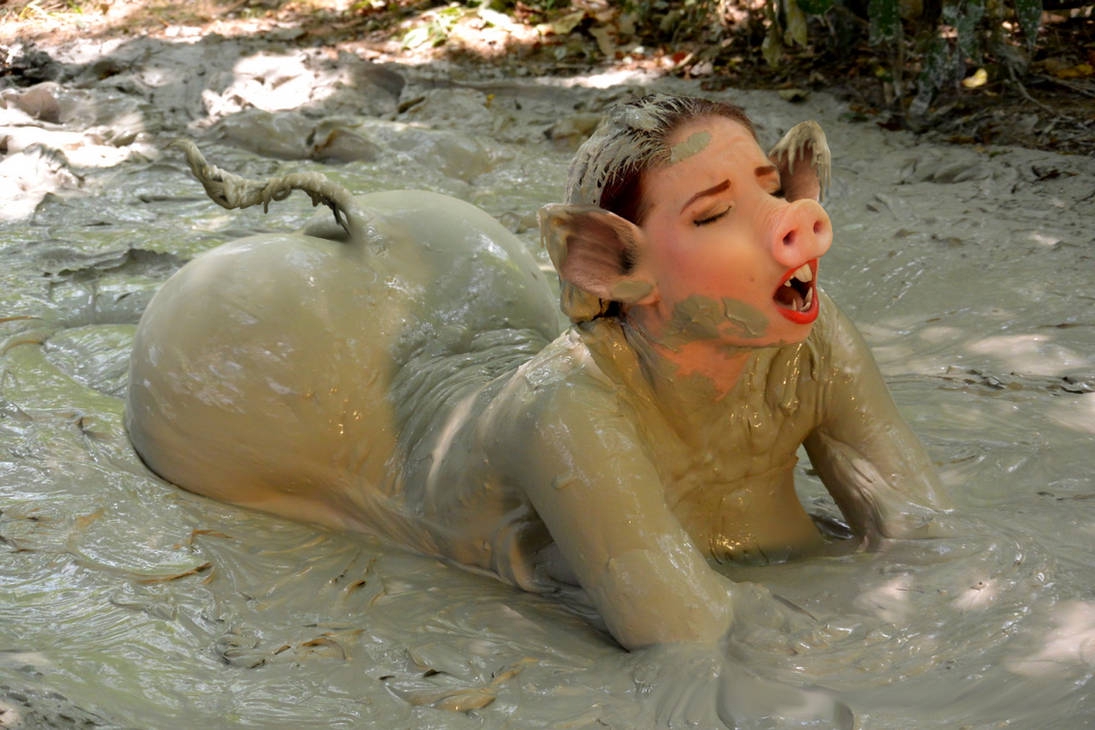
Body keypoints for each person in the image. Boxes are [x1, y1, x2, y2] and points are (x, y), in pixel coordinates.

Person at [128, 94, 953, 655]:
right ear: (610, 264)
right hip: (310, 381)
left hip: (454, 272)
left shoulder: (810, 334)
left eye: (771, 191)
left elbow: (922, 524)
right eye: (713, 213)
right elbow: (687, 627)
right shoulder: (566, 408)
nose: (786, 224)